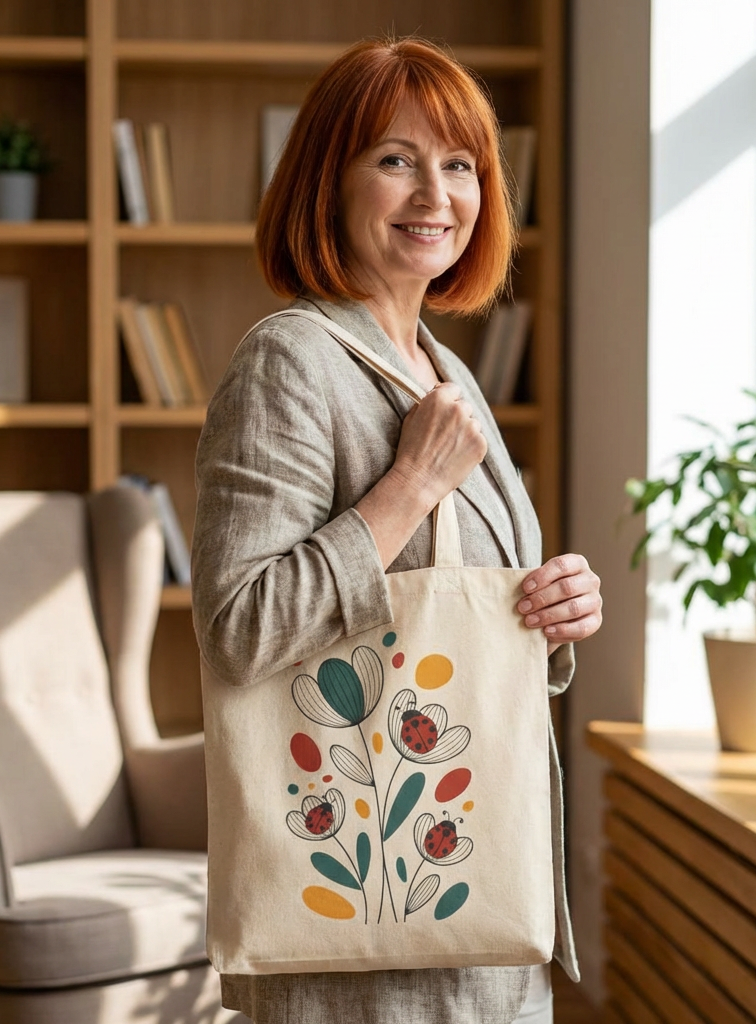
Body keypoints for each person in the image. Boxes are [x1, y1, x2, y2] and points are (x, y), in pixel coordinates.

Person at [192, 37, 602, 1024]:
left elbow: (467, 621)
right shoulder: (289, 364)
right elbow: (240, 624)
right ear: (324, 183)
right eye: (395, 159)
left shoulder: (449, 375)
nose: (436, 193)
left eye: (459, 163)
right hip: (360, 958)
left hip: (485, 912)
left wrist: (553, 616)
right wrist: (407, 487)